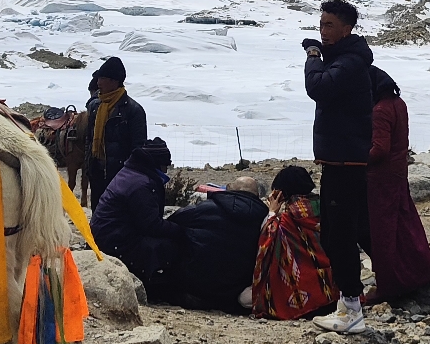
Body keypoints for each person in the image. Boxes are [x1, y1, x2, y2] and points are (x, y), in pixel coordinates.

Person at [302, 0, 374, 337]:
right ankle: (346, 305)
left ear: (347, 29)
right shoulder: (346, 59)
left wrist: (314, 57)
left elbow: (318, 87)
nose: (323, 31)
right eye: (321, 25)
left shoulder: (350, 64)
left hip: (346, 161)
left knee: (341, 236)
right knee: (333, 234)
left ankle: (352, 309)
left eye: (330, 25)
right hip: (339, 159)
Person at [364, 69, 430, 305]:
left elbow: (380, 149)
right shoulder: (398, 103)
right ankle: (418, 271)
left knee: (384, 233)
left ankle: (389, 284)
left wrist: (356, 157)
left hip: (381, 179)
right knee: (404, 226)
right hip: (397, 174)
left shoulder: (379, 110)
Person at [158, 175, 267, 312]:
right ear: (256, 195)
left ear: (229, 189)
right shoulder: (265, 220)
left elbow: (174, 220)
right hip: (233, 295)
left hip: (195, 289)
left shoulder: (206, 208)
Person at [248, 165, 335, 320]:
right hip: (336, 291)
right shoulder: (326, 208)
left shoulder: (286, 221)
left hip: (306, 297)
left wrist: (272, 212)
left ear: (281, 193)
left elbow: (266, 243)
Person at [89, 137, 175, 294]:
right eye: (164, 166)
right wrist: (180, 229)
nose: (165, 171)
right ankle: (153, 286)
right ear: (157, 163)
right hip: (113, 241)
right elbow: (151, 225)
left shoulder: (131, 172)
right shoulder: (141, 185)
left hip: (104, 234)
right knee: (163, 246)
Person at [84, 58, 147, 210]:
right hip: (97, 170)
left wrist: (128, 172)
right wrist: (88, 165)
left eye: (103, 78)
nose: (98, 83)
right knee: (97, 211)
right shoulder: (95, 106)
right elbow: (89, 138)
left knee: (116, 212)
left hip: (119, 174)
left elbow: (138, 147)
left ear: (115, 81)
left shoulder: (133, 110)